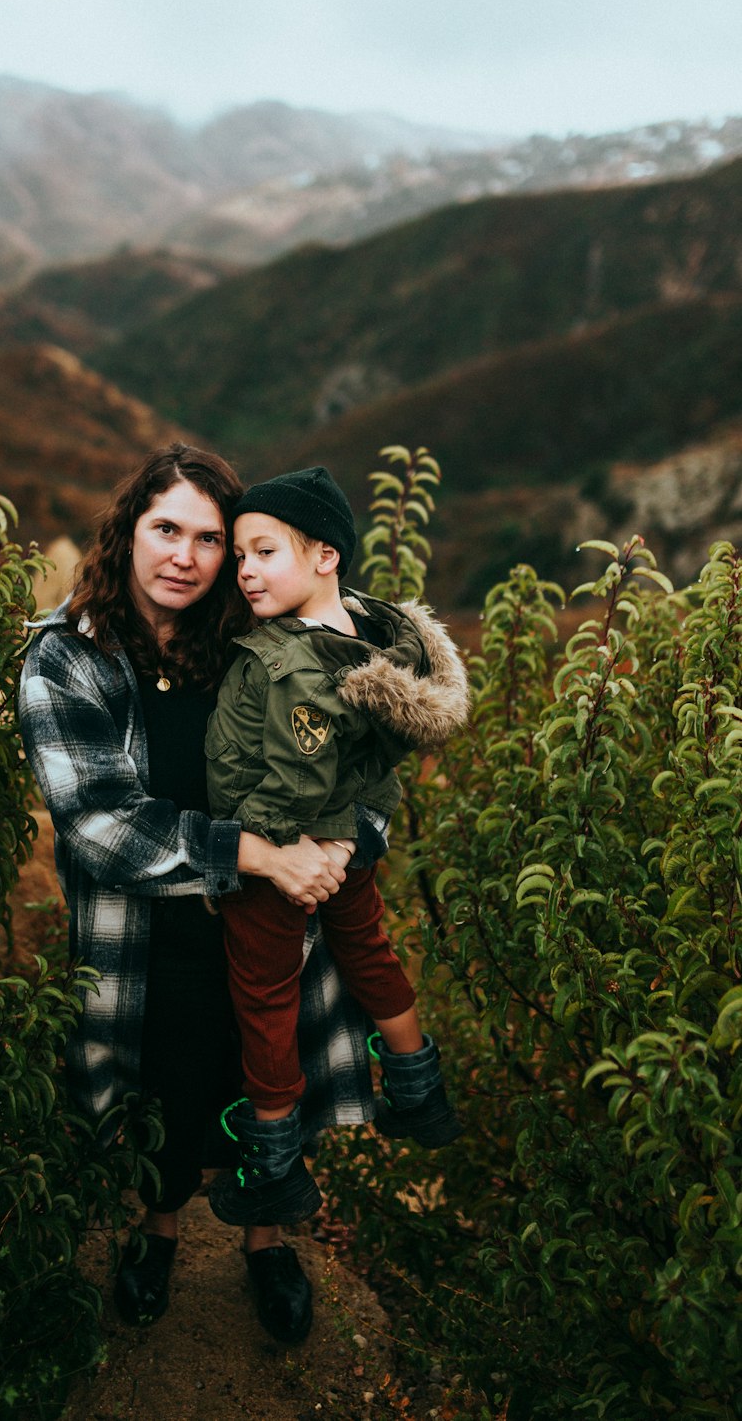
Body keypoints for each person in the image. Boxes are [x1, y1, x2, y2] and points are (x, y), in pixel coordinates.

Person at [16, 445, 391, 1345]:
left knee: (271, 1072)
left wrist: (338, 850)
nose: (184, 555)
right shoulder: (67, 659)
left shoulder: (272, 634)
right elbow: (101, 823)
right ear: (129, 533)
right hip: (145, 929)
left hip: (277, 920)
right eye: (165, 529)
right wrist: (258, 853)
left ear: (239, 551)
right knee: (163, 1081)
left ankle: (267, 1241)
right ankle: (158, 1231)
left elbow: (375, 766)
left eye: (210, 538)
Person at [203, 465, 470, 1229]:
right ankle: (420, 1091)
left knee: (265, 998)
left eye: (264, 553)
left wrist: (248, 847)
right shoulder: (367, 635)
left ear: (326, 557)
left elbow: (289, 780)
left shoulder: (289, 663)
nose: (245, 571)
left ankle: (275, 1162)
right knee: (369, 951)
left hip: (283, 858)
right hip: (351, 843)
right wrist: (351, 836)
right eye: (242, 556)